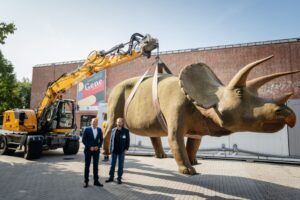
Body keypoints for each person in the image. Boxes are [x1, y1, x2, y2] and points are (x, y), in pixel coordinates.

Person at [105, 118, 130, 184]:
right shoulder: (113, 130)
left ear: (122, 123)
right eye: (118, 122)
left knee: (120, 165)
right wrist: (110, 149)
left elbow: (128, 141)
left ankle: (119, 178)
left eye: (120, 122)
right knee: (112, 164)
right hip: (114, 151)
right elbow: (111, 140)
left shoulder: (126, 131)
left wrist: (126, 149)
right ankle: (111, 177)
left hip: (121, 151)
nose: (119, 123)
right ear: (116, 123)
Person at [82, 118, 103, 188]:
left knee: (95, 166)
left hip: (96, 151)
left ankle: (96, 181)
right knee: (87, 166)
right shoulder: (87, 130)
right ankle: (86, 182)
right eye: (93, 122)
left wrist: (98, 146)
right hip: (88, 150)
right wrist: (89, 147)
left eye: (96, 122)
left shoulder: (99, 130)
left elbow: (101, 140)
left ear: (97, 123)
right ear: (91, 122)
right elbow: (83, 140)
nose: (95, 123)